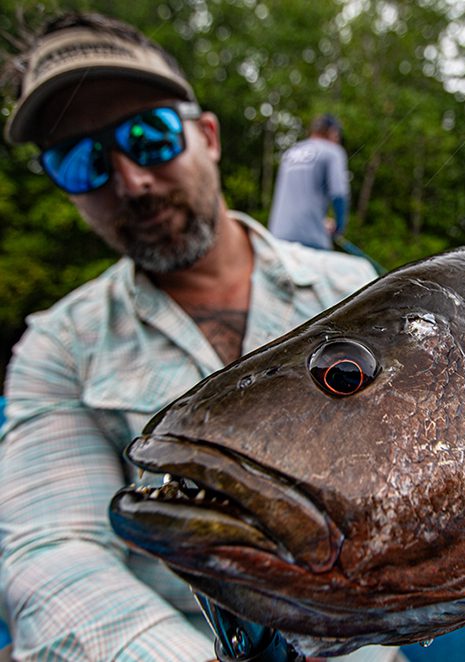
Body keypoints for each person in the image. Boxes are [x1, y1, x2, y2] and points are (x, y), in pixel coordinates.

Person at [0, 13, 401, 662]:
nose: (130, 181)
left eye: (150, 136)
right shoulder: (58, 346)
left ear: (208, 136)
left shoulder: (351, 288)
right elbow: (52, 552)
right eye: (82, 161)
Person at [268, 114, 350, 250]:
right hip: (311, 240)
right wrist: (339, 228)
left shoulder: (290, 153)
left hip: (277, 238)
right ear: (332, 132)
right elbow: (339, 194)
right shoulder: (333, 152)